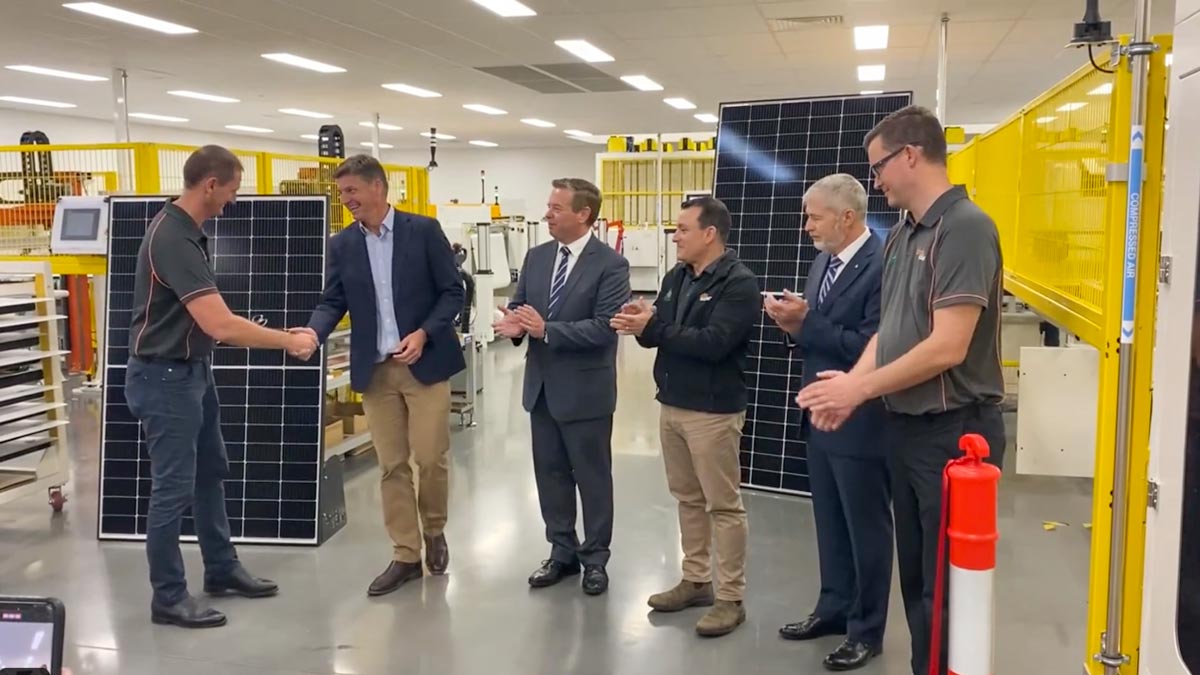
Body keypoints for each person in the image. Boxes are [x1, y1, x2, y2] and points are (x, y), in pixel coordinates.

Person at [795, 105, 1006, 675]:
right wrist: (855, 382)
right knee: (917, 582)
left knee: (946, 587)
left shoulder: (965, 227)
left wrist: (858, 391)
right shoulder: (903, 237)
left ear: (910, 155)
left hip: (956, 432)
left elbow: (948, 346)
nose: (876, 180)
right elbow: (891, 330)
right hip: (908, 429)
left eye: (880, 166)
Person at [124, 145, 318, 628]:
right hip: (165, 377)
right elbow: (221, 325)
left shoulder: (187, 232)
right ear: (210, 185)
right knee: (172, 490)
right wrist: (288, 341)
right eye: (232, 189)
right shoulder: (172, 237)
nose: (234, 199)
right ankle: (168, 596)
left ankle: (221, 568)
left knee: (211, 470)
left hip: (192, 372)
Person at [298, 155, 465, 597]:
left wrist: (426, 333)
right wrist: (313, 332)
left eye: (352, 191)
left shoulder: (423, 231)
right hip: (375, 371)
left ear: (378, 187)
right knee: (391, 465)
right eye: (342, 193)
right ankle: (405, 554)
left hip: (424, 365)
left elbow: (453, 291)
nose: (346, 200)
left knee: (430, 459)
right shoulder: (342, 244)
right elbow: (333, 300)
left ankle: (434, 530)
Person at [611, 196, 760, 636]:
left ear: (709, 233)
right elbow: (661, 334)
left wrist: (653, 328)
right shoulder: (677, 276)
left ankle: (730, 597)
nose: (675, 236)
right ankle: (696, 580)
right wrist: (644, 321)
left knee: (723, 505)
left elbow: (714, 342)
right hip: (672, 403)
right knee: (687, 499)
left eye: (682, 229)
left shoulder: (739, 283)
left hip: (713, 412)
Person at [765, 174, 892, 671]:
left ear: (847, 217)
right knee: (830, 523)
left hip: (862, 419)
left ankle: (867, 630)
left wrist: (807, 323)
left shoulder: (883, 267)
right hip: (819, 413)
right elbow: (820, 334)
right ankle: (834, 607)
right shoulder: (824, 262)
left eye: (814, 216)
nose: (805, 226)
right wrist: (793, 325)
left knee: (866, 528)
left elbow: (874, 347)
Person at [493, 177, 630, 595]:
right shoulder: (536, 258)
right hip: (542, 390)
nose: (547, 214)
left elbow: (606, 328)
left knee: (592, 477)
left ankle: (596, 559)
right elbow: (522, 307)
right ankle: (562, 552)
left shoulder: (610, 265)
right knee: (549, 474)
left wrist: (546, 329)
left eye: (555, 208)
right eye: (548, 206)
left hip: (586, 392)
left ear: (583, 213)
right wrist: (514, 324)